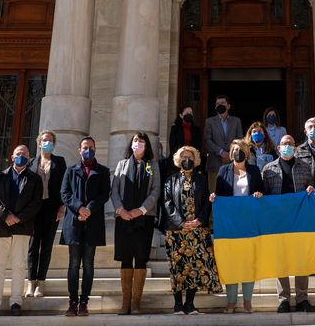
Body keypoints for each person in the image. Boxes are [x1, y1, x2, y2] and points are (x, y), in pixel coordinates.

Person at [261, 134, 315, 313]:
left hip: (299, 219)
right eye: (284, 143)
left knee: (301, 257)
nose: (287, 146)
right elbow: (264, 195)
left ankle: (302, 297)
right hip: (278, 220)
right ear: (278, 148)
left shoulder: (305, 167)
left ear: (295, 147)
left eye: (290, 144)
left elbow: (312, 189)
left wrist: (311, 189)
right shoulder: (268, 169)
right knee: (281, 258)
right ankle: (284, 299)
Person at [162, 146, 222, 315]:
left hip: (197, 230)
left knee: (195, 267)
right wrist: (181, 222)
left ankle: (189, 303)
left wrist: (199, 221)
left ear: (195, 160)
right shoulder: (170, 180)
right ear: (178, 160)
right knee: (178, 267)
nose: (186, 159)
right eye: (183, 157)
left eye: (189, 157)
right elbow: (167, 203)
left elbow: (206, 202)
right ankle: (177, 305)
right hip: (176, 231)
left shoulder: (201, 179)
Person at [0, 145, 42, 317]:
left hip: (22, 228)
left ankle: (16, 302)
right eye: (18, 154)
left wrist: (19, 217)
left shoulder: (35, 179)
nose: (21, 156)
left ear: (29, 157)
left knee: (19, 266)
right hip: (2, 227)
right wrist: (6, 216)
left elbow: (36, 203)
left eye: (25, 154)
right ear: (12, 157)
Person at [212, 139, 265, 313]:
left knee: (248, 262)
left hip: (249, 223)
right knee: (231, 262)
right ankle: (231, 301)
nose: (237, 152)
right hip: (230, 224)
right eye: (234, 149)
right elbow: (218, 194)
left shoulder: (255, 171)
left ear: (247, 153)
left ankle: (247, 301)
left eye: (241, 149)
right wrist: (214, 197)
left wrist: (259, 194)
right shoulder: (223, 171)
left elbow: (262, 192)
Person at [60, 136, 110, 317]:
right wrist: (79, 208)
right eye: (84, 147)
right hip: (73, 222)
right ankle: (72, 302)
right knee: (74, 263)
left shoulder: (103, 171)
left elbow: (104, 194)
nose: (88, 150)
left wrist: (88, 209)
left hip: (93, 222)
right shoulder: (71, 170)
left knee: (88, 263)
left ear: (95, 149)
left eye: (91, 147)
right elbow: (64, 193)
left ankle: (84, 302)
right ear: (79, 150)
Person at [110, 133, 160, 315]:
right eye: (135, 141)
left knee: (140, 258)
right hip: (123, 218)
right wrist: (120, 210)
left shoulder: (152, 165)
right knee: (125, 258)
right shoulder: (121, 164)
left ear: (147, 145)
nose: (138, 143)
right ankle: (125, 303)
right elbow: (114, 190)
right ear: (131, 144)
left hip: (143, 219)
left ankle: (136, 303)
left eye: (141, 141)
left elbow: (155, 191)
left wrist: (141, 210)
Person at [27, 131, 67, 299]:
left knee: (47, 246)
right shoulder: (31, 163)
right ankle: (31, 282)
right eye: (44, 140)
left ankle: (41, 282)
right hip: (35, 210)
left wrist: (62, 208)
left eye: (50, 141)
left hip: (52, 209)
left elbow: (65, 186)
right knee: (33, 247)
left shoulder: (60, 162)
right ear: (39, 143)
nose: (47, 143)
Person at [204, 95, 243, 177]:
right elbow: (207, 141)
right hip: (214, 163)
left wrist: (230, 154)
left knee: (232, 189)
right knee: (214, 190)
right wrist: (221, 152)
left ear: (228, 106)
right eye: (217, 103)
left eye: (222, 103)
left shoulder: (236, 121)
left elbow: (240, 139)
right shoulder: (209, 121)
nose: (220, 105)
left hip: (233, 162)